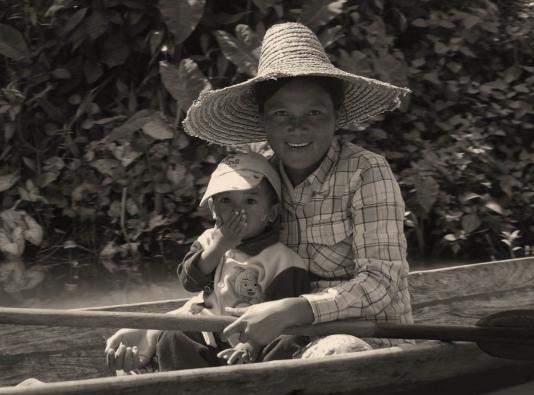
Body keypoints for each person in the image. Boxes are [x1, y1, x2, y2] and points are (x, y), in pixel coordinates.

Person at [106, 21, 413, 372]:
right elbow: (230, 276)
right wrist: (158, 323)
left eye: (314, 113)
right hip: (266, 332)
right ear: (263, 123)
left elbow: (382, 283)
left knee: (335, 356)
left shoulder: (367, 171)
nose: (297, 127)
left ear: (336, 117)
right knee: (155, 346)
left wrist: (294, 309)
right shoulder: (256, 180)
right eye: (281, 114)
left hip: (360, 333)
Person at [107, 152, 310, 372]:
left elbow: (280, 317)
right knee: (174, 335)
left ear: (271, 214)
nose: (237, 210)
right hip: (209, 332)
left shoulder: (284, 261)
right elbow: (189, 281)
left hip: (257, 341)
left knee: (289, 341)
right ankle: (191, 391)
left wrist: (249, 346)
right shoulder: (208, 241)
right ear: (213, 209)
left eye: (250, 201)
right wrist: (220, 246)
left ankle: (259, 390)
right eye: (226, 200)